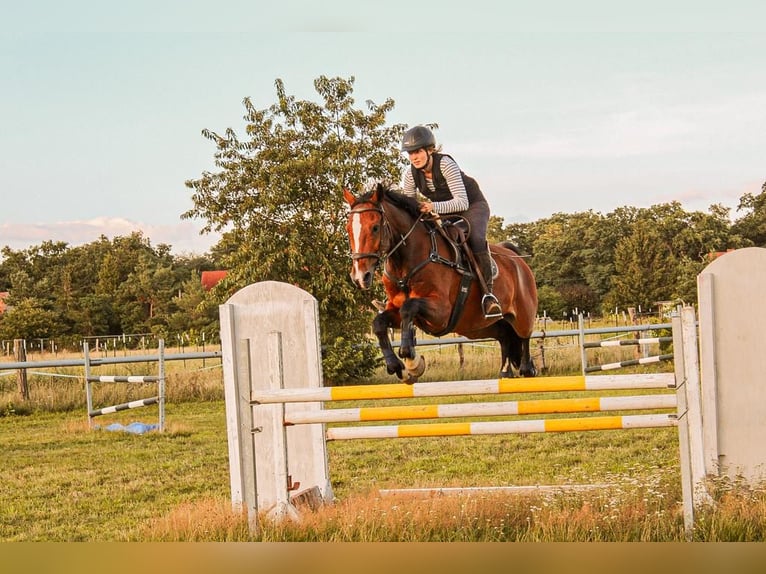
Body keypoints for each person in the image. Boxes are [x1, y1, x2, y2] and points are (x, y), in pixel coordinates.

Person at [399, 125, 502, 318]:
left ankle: (489, 295)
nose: (414, 157)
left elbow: (461, 201)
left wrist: (433, 207)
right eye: (411, 153)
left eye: (418, 151)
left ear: (430, 150)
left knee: (475, 239)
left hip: (472, 207)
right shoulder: (409, 175)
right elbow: (409, 207)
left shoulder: (445, 164)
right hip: (445, 212)